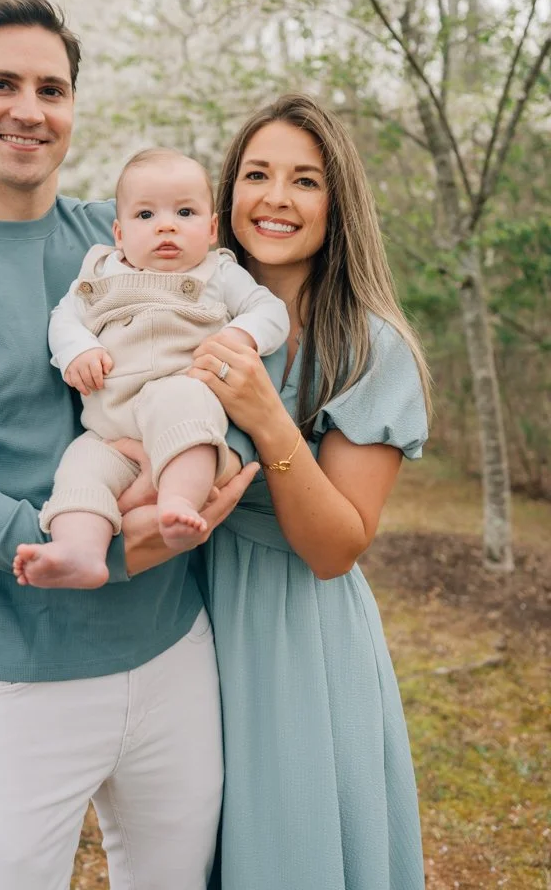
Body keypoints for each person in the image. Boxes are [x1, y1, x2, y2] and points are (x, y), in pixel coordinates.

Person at [0, 0, 258, 890]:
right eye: (2, 83)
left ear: (72, 108)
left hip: (173, 653)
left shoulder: (125, 241)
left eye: (53, 89)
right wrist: (86, 539)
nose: (29, 111)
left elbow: (251, 305)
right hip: (12, 680)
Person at [186, 94, 431, 890]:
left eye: (306, 180)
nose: (278, 198)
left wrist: (266, 415)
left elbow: (336, 548)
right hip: (175, 612)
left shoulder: (369, 346)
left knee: (285, 854)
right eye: (257, 174)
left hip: (294, 631)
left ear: (338, 204)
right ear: (228, 196)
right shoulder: (180, 303)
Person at [14, 146, 288, 589]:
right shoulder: (99, 272)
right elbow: (63, 318)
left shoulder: (218, 272)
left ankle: (178, 503)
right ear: (119, 233)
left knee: (185, 407)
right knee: (79, 470)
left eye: (184, 212)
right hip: (108, 431)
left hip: (180, 399)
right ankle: (80, 552)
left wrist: (238, 337)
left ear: (212, 228)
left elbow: (270, 310)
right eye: (145, 216)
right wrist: (78, 350)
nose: (166, 225)